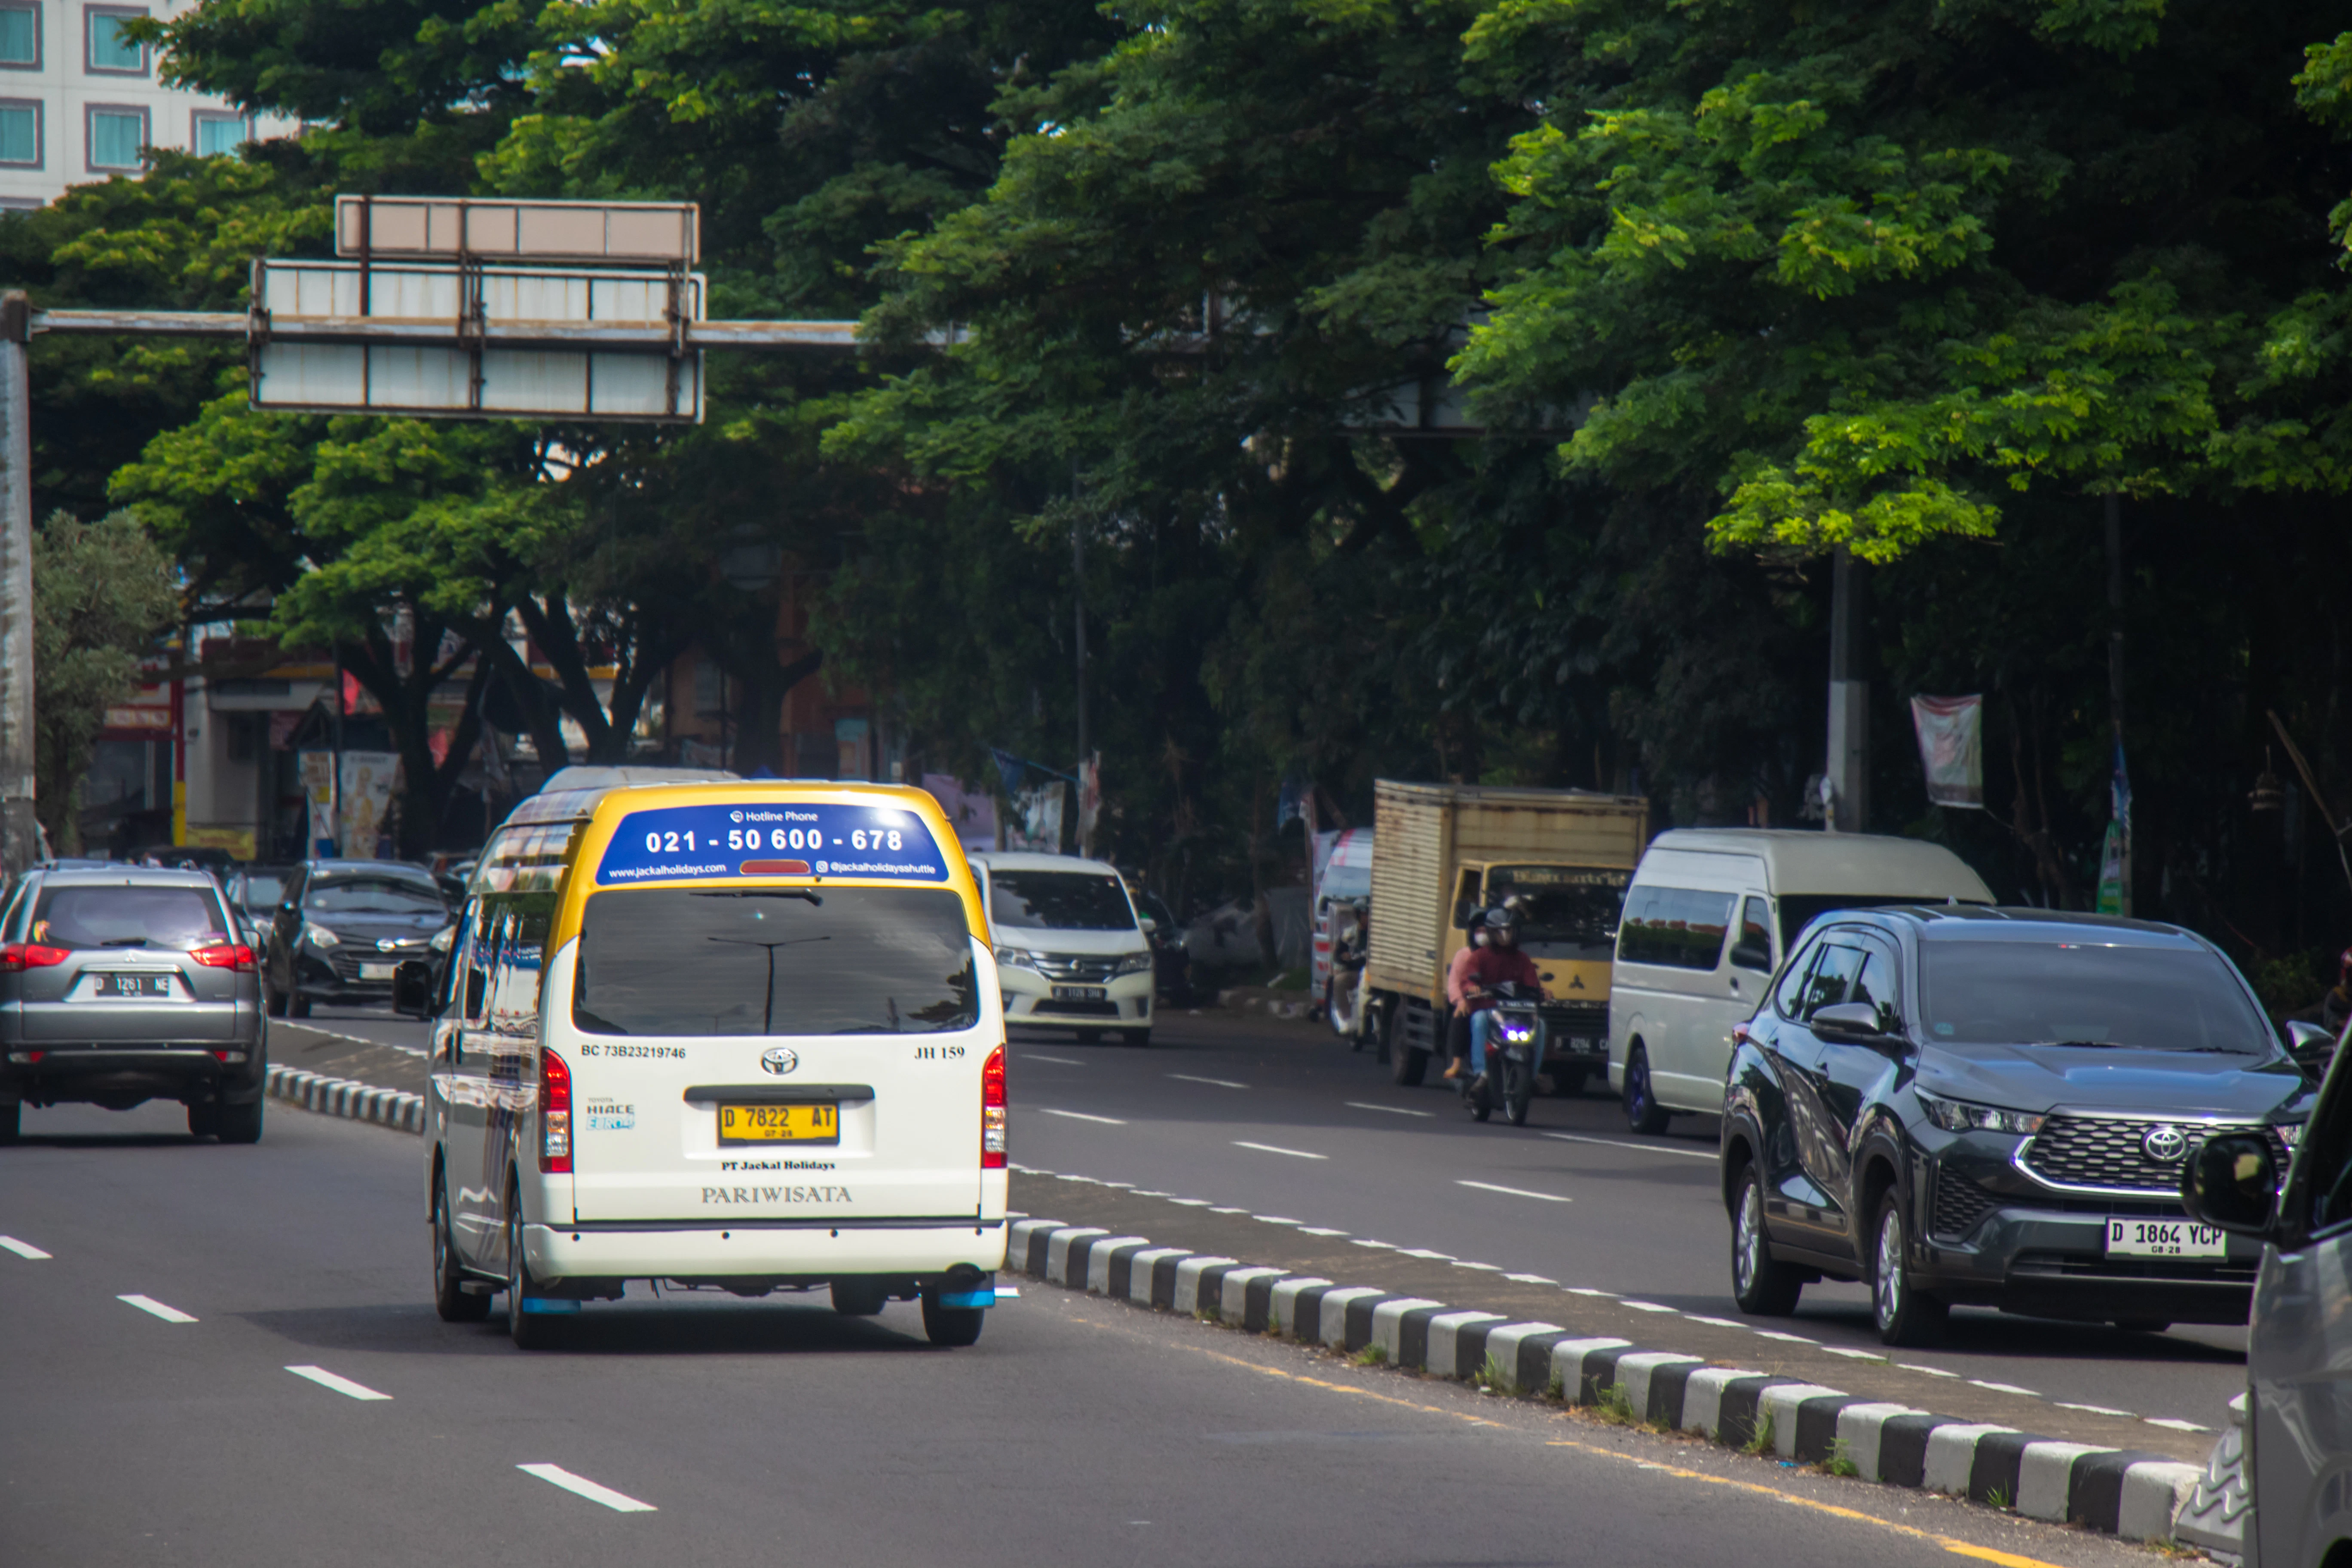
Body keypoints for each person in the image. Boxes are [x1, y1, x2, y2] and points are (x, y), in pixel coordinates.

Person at [1460, 903, 1547, 1084]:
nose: (1505, 936)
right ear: (1492, 933)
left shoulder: (1522, 959)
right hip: (1489, 1008)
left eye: (1509, 931)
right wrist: (1472, 987)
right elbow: (1467, 979)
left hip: (1517, 1011)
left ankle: (1533, 1075)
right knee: (1479, 1021)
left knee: (1541, 1025)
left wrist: (1542, 993)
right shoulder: (1480, 956)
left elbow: (1532, 984)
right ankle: (1481, 1072)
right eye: (1500, 932)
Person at [1441, 909, 1490, 1081]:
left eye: (1486, 931)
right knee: (1460, 1015)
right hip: (1472, 1004)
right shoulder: (1464, 955)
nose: (1483, 935)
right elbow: (1454, 984)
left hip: (1495, 1005)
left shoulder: (1499, 956)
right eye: (1479, 931)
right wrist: (1461, 1001)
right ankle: (1457, 1063)